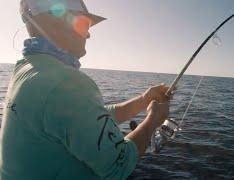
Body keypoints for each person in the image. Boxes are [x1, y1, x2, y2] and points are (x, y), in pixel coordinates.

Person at [0, 0, 171, 179]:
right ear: (55, 21)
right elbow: (119, 164)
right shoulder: (65, 83)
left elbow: (89, 119)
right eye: (84, 24)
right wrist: (154, 119)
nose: (88, 34)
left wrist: (143, 100)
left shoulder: (27, 68)